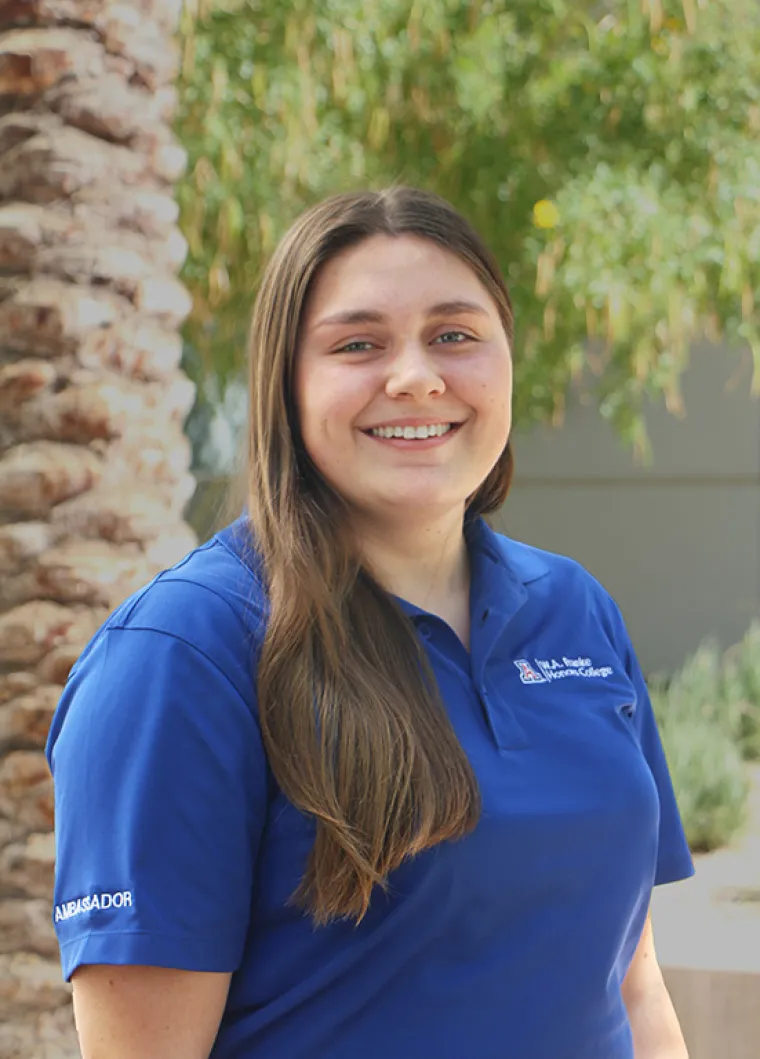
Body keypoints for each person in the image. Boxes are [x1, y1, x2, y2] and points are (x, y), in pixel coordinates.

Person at [47, 186, 693, 1059]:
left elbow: (632, 979)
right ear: (284, 383)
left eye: (455, 334)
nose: (417, 375)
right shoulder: (184, 655)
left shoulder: (574, 609)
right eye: (359, 344)